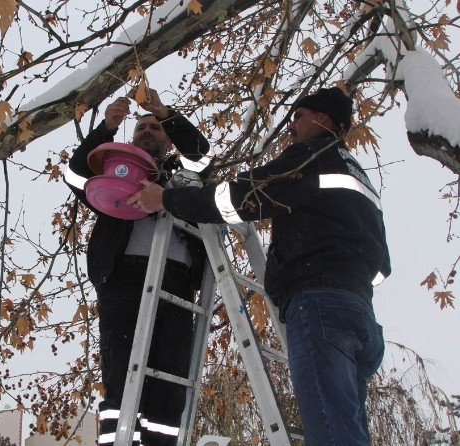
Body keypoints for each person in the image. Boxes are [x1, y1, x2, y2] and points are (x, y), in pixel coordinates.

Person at [129, 87, 390, 445]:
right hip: (359, 310)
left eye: (298, 116)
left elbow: (246, 195)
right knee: (347, 428)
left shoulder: (309, 157)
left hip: (319, 304)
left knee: (332, 432)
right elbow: (381, 261)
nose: (292, 126)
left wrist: (167, 198)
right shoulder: (355, 171)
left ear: (324, 120)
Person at [63, 88, 210, 446]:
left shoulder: (183, 177)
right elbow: (77, 175)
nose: (147, 130)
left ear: (168, 138)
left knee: (169, 378)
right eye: (141, 127)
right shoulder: (116, 170)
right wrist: (107, 129)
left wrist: (165, 111)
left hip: (176, 281)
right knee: (122, 374)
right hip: (123, 278)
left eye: (156, 127)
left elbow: (202, 157)